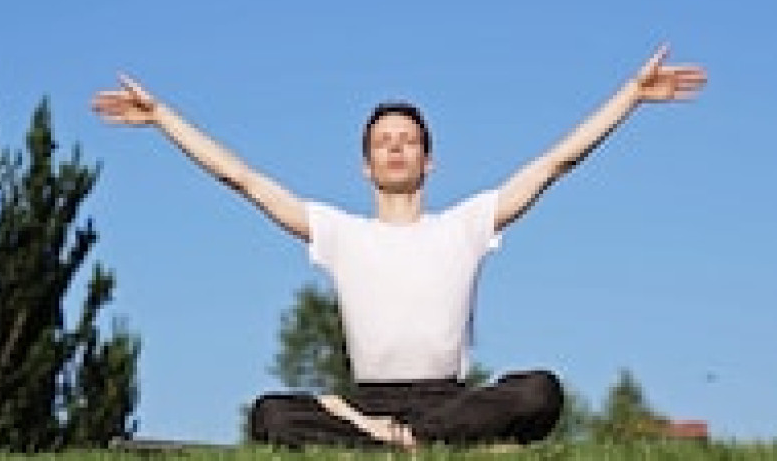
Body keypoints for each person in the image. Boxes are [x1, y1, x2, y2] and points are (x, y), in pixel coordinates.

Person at [92, 43, 706, 450]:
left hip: (450, 399)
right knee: (269, 415)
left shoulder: (466, 224)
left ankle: (395, 441)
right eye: (383, 141)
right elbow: (243, 179)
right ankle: (403, 438)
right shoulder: (340, 232)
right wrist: (161, 117)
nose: (395, 148)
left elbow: (555, 163)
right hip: (369, 400)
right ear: (366, 166)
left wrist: (631, 95)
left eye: (407, 140)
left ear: (428, 161)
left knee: (539, 391)